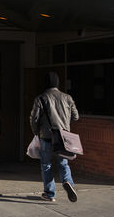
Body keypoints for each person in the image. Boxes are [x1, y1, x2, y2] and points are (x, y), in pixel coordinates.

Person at [30, 72, 79, 202]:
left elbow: (34, 119)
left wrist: (36, 132)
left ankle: (50, 194)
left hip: (46, 136)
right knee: (63, 164)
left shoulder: (40, 98)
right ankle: (68, 182)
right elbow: (76, 116)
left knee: (46, 165)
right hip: (63, 138)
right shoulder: (67, 97)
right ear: (57, 83)